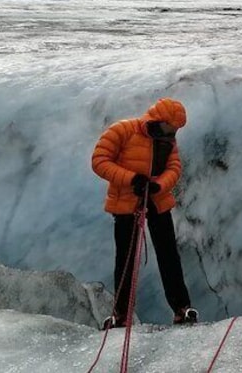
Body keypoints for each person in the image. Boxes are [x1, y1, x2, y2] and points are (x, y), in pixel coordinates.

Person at [91, 97, 197, 328]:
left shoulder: (167, 140)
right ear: (158, 120)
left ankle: (182, 308)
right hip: (127, 203)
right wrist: (132, 179)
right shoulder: (123, 130)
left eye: (176, 130)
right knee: (126, 259)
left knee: (169, 255)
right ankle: (121, 315)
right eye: (171, 128)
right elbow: (99, 161)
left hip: (157, 202)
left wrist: (160, 185)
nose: (173, 133)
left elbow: (174, 167)